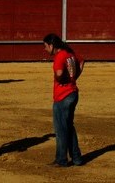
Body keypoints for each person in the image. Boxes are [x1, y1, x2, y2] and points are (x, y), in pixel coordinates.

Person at [43, 33, 84, 167]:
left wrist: (62, 80)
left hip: (63, 96)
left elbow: (59, 74)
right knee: (68, 127)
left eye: (46, 46)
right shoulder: (69, 52)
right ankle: (77, 158)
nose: (45, 49)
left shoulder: (60, 56)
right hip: (72, 93)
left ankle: (61, 160)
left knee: (61, 130)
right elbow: (82, 61)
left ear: (51, 45)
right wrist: (74, 78)